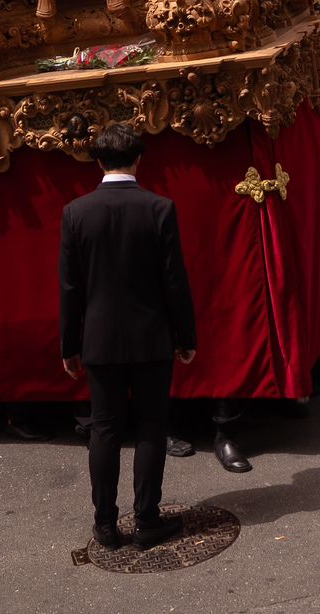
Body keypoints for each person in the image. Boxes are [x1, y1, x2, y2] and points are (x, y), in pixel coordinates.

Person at [58, 124, 197, 551]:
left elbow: (70, 287)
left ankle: (105, 524)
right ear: (138, 159)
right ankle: (147, 518)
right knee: (152, 426)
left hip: (99, 339)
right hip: (151, 336)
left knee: (105, 430)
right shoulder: (159, 208)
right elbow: (175, 282)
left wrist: (69, 345)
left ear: (98, 162)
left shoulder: (76, 213)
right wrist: (186, 335)